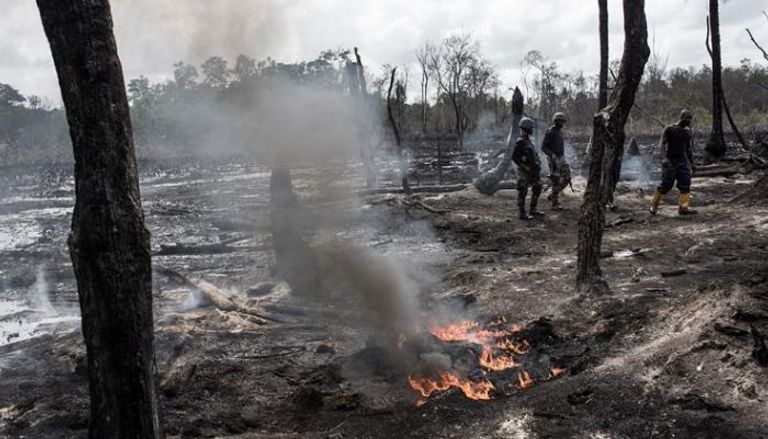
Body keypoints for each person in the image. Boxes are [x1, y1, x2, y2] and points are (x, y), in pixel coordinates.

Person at [649, 109, 697, 216]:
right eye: (687, 118)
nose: (689, 120)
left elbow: (688, 149)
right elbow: (662, 144)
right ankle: (654, 205)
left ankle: (683, 208)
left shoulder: (687, 132)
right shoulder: (670, 129)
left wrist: (692, 163)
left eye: (690, 118)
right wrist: (663, 158)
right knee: (666, 185)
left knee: (685, 184)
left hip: (682, 161)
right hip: (670, 161)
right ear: (681, 117)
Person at [512, 117, 543, 220]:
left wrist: (537, 162)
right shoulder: (520, 141)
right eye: (531, 128)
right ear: (526, 128)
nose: (532, 130)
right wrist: (524, 167)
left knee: (537, 188)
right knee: (522, 191)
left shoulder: (528, 141)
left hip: (533, 171)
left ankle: (533, 210)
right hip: (524, 171)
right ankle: (522, 213)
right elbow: (515, 157)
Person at [541, 112, 571, 210]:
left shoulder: (559, 132)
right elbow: (543, 147)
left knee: (567, 177)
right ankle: (555, 203)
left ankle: (553, 194)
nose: (562, 123)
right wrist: (552, 155)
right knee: (555, 179)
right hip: (553, 159)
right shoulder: (550, 132)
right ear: (556, 121)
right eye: (561, 121)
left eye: (563, 121)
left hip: (561, 158)